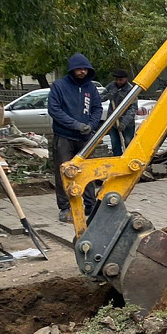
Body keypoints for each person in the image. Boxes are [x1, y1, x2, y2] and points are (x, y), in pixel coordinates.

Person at [48, 53, 103, 222]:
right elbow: (55, 110)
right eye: (79, 69)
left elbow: (97, 108)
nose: (82, 72)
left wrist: (91, 125)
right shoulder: (59, 86)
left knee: (86, 171)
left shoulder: (90, 88)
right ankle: (65, 208)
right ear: (72, 70)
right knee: (64, 172)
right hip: (64, 136)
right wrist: (75, 125)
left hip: (85, 137)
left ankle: (90, 205)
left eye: (85, 69)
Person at [105, 69, 137, 156]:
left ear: (126, 79)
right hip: (112, 121)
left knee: (128, 143)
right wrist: (107, 96)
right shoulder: (111, 86)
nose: (118, 82)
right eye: (116, 80)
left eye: (120, 80)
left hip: (127, 124)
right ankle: (117, 159)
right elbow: (100, 97)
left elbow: (133, 109)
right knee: (115, 144)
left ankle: (128, 159)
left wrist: (123, 123)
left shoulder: (130, 90)